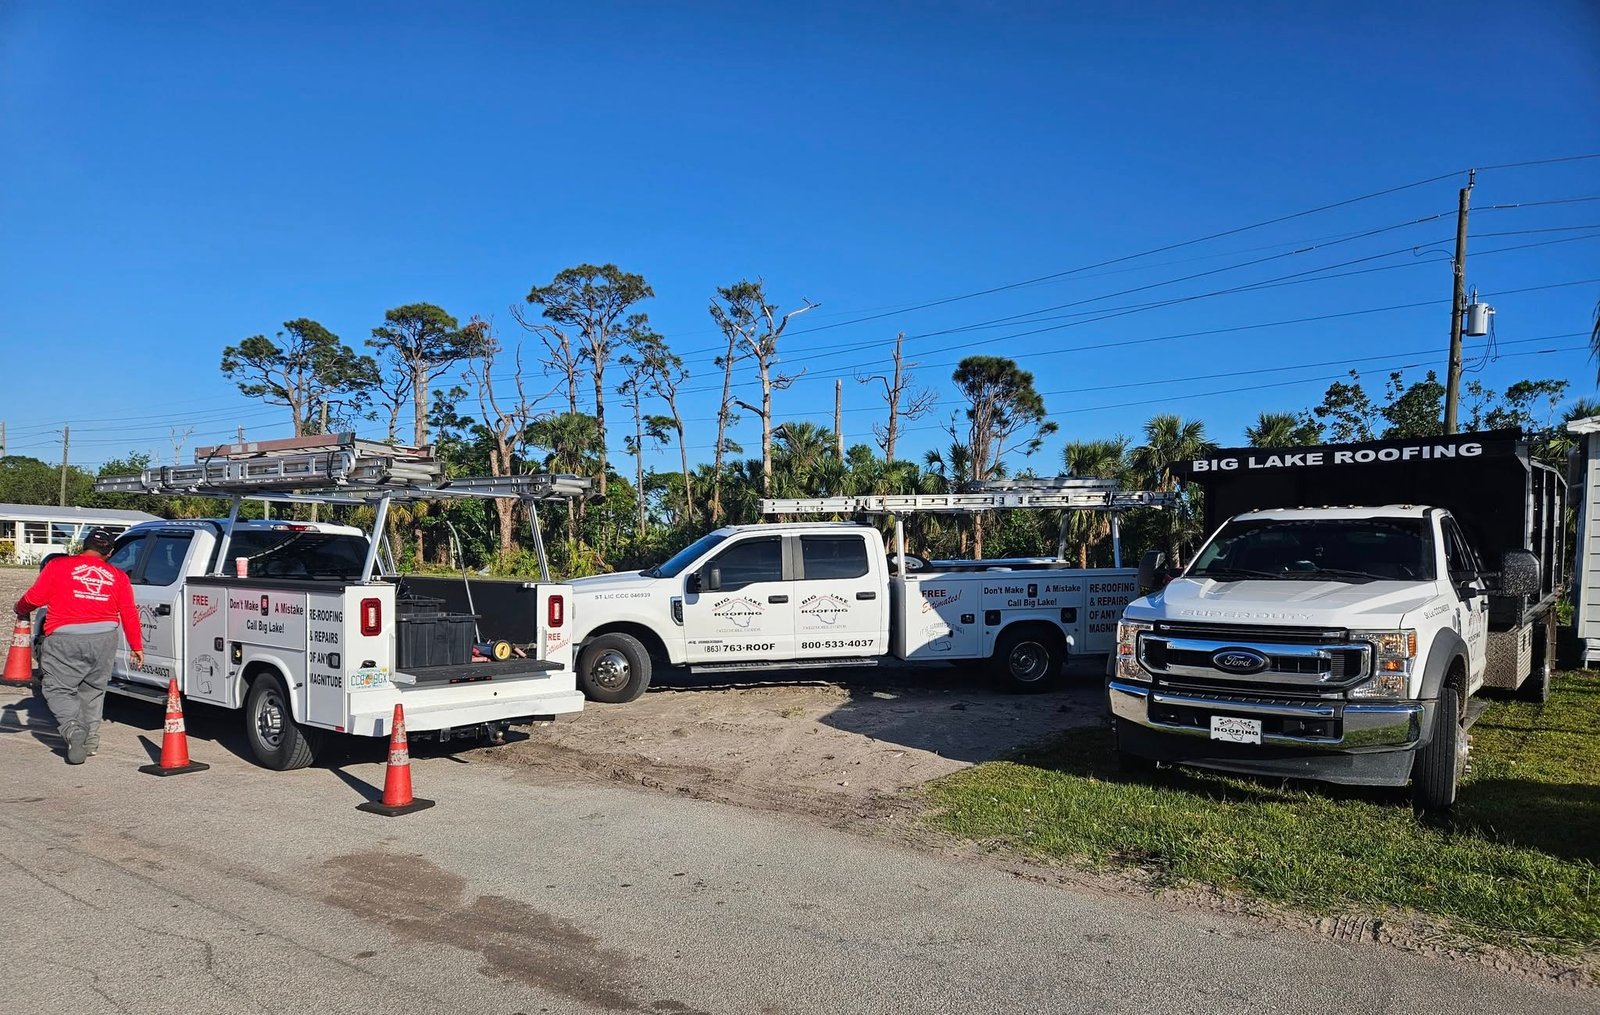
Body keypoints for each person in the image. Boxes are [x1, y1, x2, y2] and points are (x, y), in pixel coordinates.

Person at [15, 528, 143, 764]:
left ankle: (73, 730)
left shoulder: (58, 566)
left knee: (57, 689)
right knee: (93, 691)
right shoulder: (118, 575)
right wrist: (137, 645)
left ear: (83, 546)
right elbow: (128, 612)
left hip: (65, 637)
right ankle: (91, 742)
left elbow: (34, 598)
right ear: (111, 552)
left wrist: (20, 608)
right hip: (105, 638)